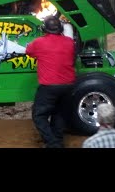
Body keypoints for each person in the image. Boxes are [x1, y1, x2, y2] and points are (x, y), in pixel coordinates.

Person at [25, 15, 76, 148]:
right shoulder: (70, 42)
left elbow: (28, 51)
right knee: (59, 113)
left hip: (49, 86)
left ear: (44, 29)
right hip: (69, 85)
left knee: (39, 115)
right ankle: (57, 140)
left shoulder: (39, 42)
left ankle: (53, 143)